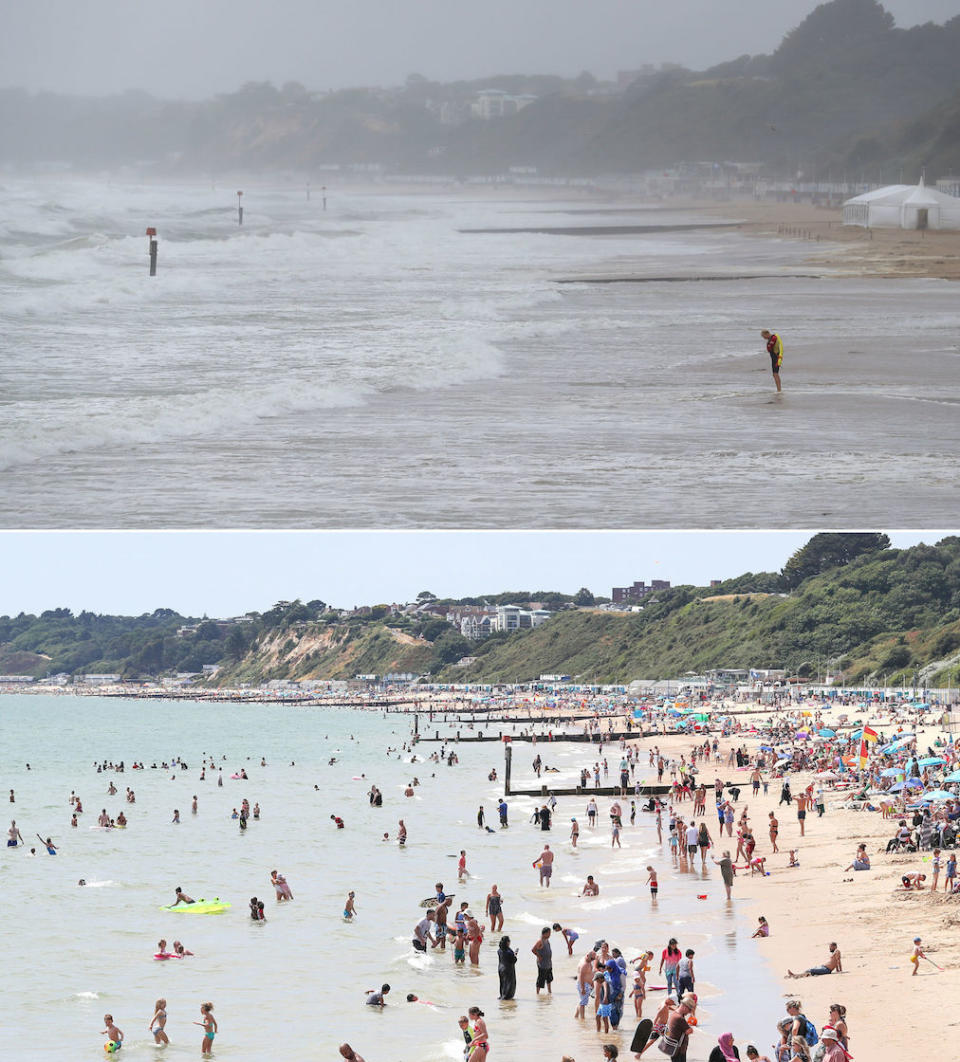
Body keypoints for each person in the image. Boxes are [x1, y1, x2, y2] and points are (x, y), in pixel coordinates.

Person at [532, 926, 553, 995]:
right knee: (541, 979)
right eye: (549, 933)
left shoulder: (547, 940)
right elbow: (533, 950)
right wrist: (539, 956)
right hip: (542, 964)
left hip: (548, 963)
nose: (550, 935)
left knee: (549, 978)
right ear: (545, 933)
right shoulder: (540, 941)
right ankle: (537, 993)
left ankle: (549, 991)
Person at [497, 935, 517, 999]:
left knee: (502, 983)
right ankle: (506, 997)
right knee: (509, 984)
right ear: (507, 942)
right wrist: (515, 955)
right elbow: (513, 960)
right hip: (508, 969)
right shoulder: (508, 951)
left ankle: (502, 995)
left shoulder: (499, 950)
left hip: (500, 969)